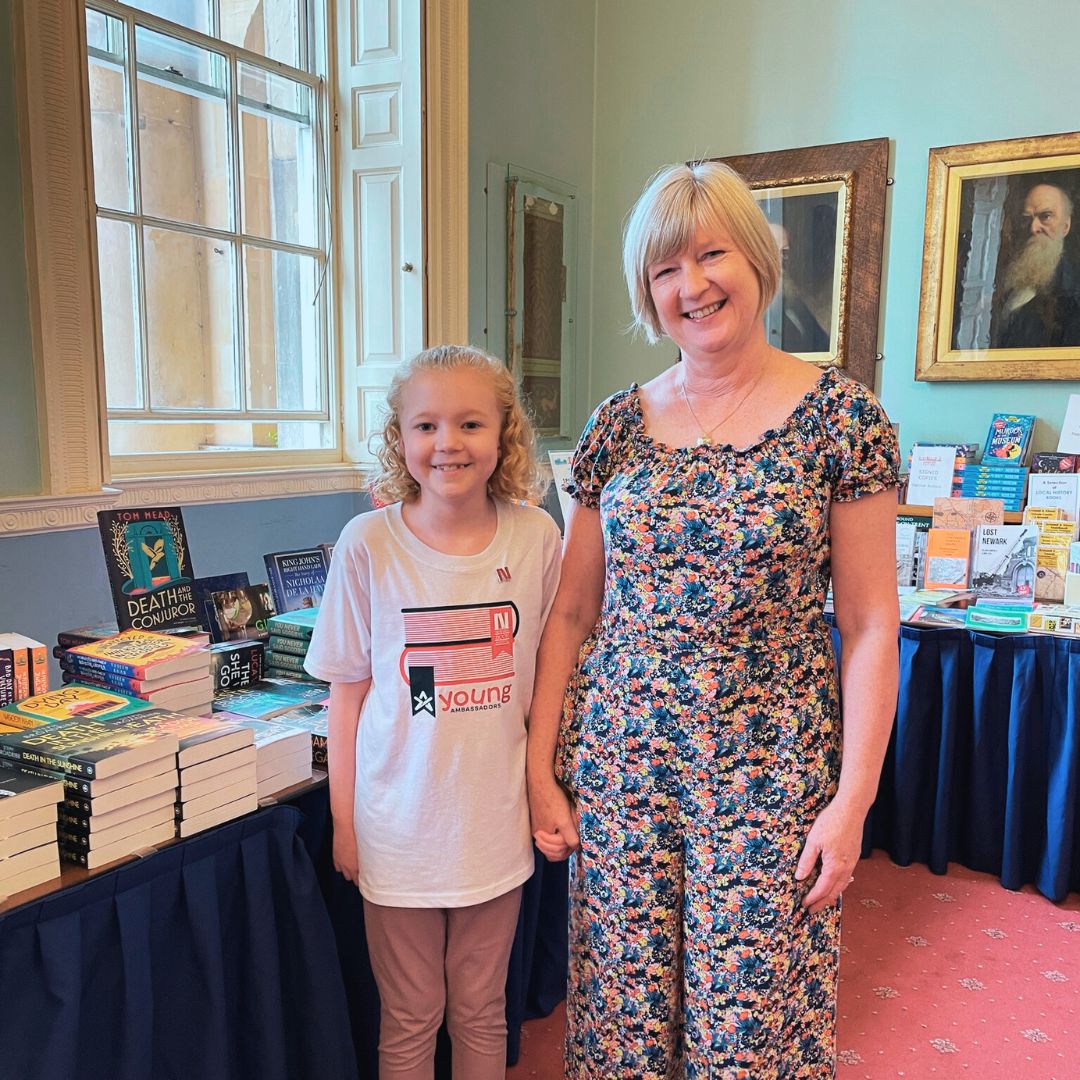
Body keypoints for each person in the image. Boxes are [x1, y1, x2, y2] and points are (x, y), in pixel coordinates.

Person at [526, 160, 900, 1078]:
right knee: (622, 1014)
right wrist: (540, 768)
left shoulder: (840, 418)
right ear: (646, 293)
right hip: (620, 765)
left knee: (750, 1029)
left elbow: (869, 624)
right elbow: (573, 612)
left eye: (710, 254)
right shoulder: (616, 426)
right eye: (663, 270)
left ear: (758, 262)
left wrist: (852, 802)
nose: (690, 285)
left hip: (771, 770)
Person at [304, 345, 561, 1080]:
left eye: (470, 423)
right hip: (397, 831)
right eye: (426, 426)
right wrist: (346, 823)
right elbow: (346, 696)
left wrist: (546, 793)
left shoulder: (536, 536)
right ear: (401, 438)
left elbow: (548, 684)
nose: (447, 443)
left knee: (482, 1010)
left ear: (504, 434)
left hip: (492, 827)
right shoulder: (367, 546)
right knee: (411, 1015)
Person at [992, 180, 1080, 348]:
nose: (1033, 227)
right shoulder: (1011, 279)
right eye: (1027, 219)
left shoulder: (1073, 297)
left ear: (1065, 227)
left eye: (1045, 216)